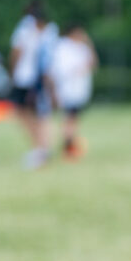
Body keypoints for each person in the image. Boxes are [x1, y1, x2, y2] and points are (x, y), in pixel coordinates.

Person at [10, 0, 59, 170]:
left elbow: (17, 52)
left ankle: (41, 149)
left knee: (38, 115)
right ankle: (40, 148)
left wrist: (12, 73)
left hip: (33, 80)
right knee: (31, 114)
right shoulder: (50, 31)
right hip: (34, 79)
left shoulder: (27, 29)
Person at [45, 23, 98, 160]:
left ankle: (69, 144)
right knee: (69, 118)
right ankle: (67, 146)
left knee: (74, 118)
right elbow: (60, 70)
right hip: (67, 90)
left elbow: (93, 64)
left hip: (79, 90)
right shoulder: (62, 48)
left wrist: (90, 44)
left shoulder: (82, 48)